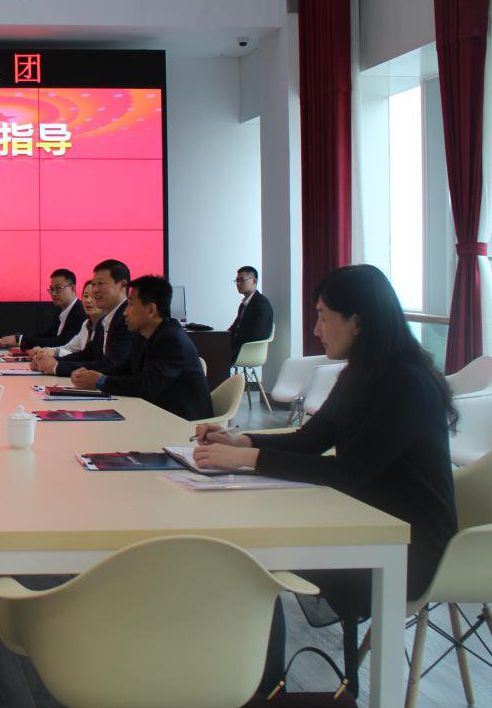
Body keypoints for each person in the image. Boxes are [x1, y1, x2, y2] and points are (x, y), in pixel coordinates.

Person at [195, 264, 456, 695]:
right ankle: (256, 686)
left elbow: (350, 473)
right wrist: (241, 440)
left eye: (322, 316)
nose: (316, 329)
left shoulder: (407, 384)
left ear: (357, 321)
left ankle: (260, 688)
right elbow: (311, 440)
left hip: (407, 543)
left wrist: (247, 459)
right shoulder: (362, 373)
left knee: (252, 559)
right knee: (250, 555)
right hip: (361, 519)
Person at [69, 275, 212, 421]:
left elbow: (146, 386)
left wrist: (100, 381)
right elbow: (123, 370)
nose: (125, 312)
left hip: (183, 423)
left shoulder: (172, 340)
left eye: (130, 304)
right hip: (153, 414)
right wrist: (89, 375)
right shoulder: (143, 335)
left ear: (151, 310)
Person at [31, 259, 135, 377]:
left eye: (100, 284)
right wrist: (49, 362)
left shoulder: (128, 319)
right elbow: (87, 355)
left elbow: (112, 365)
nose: (95, 290)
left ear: (122, 285)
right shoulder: (104, 321)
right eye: (94, 284)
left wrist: (56, 367)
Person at [0, 268, 85, 350]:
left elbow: (60, 343)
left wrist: (19, 340)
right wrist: (19, 339)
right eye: (52, 289)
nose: (54, 293)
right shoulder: (62, 310)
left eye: (58, 288)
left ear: (73, 288)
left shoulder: (80, 313)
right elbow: (46, 335)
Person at [30, 282, 100, 362]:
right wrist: (45, 351)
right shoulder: (86, 324)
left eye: (94, 296)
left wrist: (53, 357)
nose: (88, 300)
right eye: (86, 296)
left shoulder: (106, 325)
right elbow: (69, 348)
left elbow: (86, 357)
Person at [229, 265, 274, 362]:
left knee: (215, 355)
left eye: (242, 280)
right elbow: (234, 328)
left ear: (254, 281)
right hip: (239, 347)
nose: (238, 283)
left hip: (248, 350)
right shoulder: (244, 304)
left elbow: (258, 334)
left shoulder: (260, 303)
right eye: (237, 280)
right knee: (212, 349)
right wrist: (220, 338)